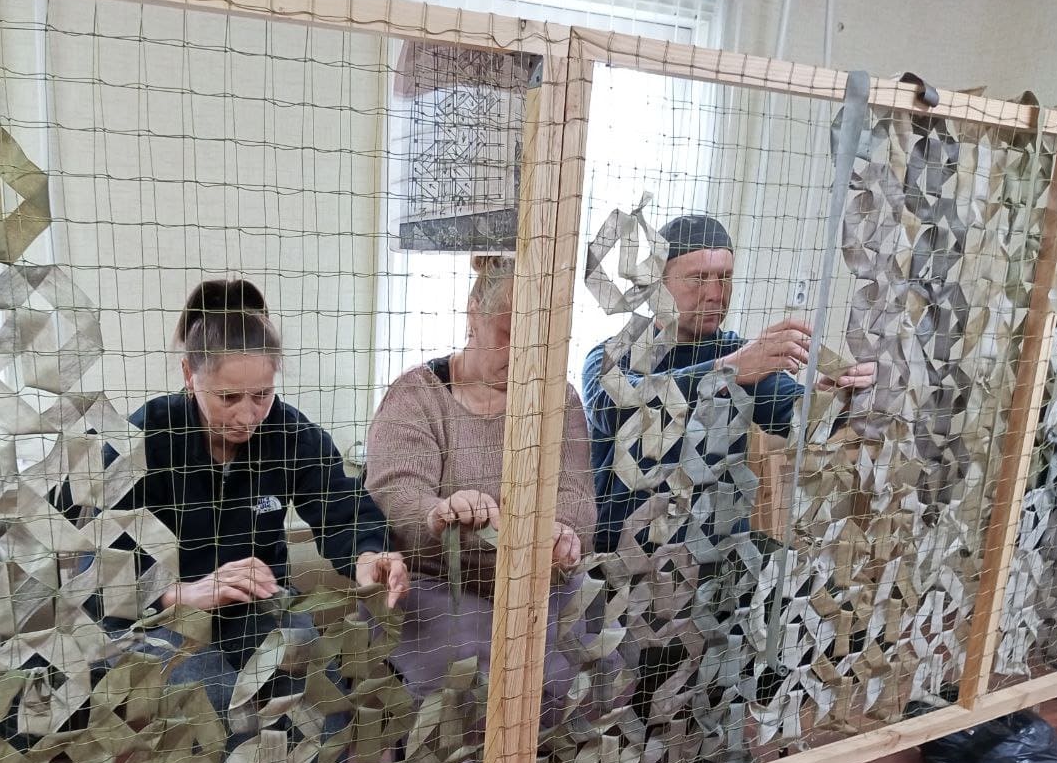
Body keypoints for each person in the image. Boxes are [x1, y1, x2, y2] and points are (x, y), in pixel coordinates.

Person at [73, 278, 409, 763]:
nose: (247, 415)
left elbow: (342, 508)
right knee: (217, 706)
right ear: (188, 374)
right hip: (157, 623)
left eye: (262, 395)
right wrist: (182, 591)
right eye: (228, 397)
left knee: (324, 693)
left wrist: (370, 555)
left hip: (257, 612)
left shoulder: (287, 432)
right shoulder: (146, 436)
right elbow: (91, 564)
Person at [365, 255, 608, 726]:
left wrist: (562, 534)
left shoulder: (558, 400)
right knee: (476, 681)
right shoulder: (417, 394)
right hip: (433, 585)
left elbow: (575, 496)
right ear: (473, 312)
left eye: (538, 341)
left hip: (535, 585)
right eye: (508, 334)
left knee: (594, 662)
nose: (522, 354)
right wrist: (439, 512)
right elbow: (395, 494)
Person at [582, 213, 876, 553]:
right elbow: (616, 409)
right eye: (698, 278)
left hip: (718, 553)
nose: (715, 293)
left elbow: (803, 418)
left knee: (811, 576)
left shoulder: (739, 354)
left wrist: (839, 395)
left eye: (725, 277)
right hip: (628, 558)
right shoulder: (614, 354)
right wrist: (726, 371)